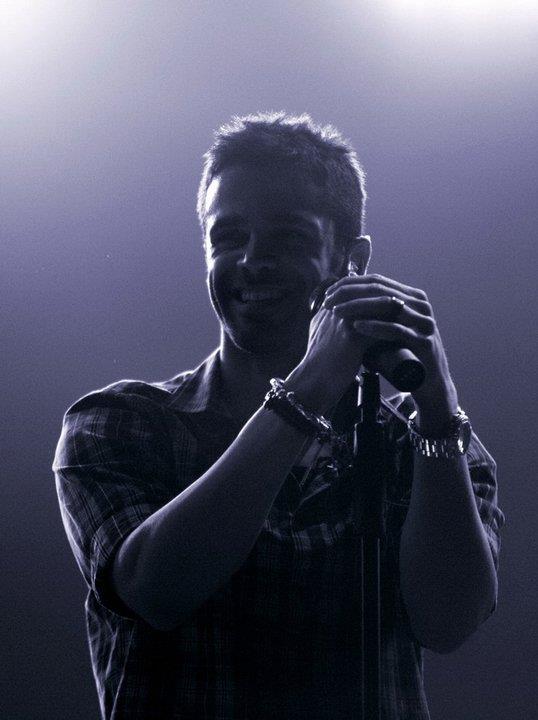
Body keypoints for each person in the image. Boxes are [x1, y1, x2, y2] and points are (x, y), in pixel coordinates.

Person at [53, 111, 504, 720]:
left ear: (351, 260)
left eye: (288, 237)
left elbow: (449, 621)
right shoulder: (119, 422)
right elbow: (156, 591)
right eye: (228, 237)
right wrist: (309, 387)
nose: (251, 260)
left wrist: (439, 409)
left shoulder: (420, 440)